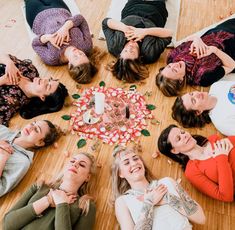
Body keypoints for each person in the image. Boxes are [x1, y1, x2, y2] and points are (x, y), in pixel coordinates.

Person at [111, 145, 205, 229]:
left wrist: (168, 198)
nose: (134, 163)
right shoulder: (123, 201)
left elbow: (201, 218)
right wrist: (149, 203)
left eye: (135, 159)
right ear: (120, 173)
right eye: (126, 163)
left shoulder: (167, 182)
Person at [3, 152, 96, 230]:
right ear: (65, 167)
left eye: (82, 165)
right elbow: (7, 224)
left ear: (88, 177)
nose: (75, 164)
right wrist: (47, 200)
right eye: (72, 161)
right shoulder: (39, 186)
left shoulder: (86, 205)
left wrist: (61, 204)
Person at [25, 0, 102, 83]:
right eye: (82, 54)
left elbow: (35, 44)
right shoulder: (86, 46)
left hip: (37, 17)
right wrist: (65, 28)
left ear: (69, 65)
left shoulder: (52, 58)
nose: (77, 52)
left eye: (75, 57)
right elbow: (80, 19)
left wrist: (48, 38)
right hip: (60, 8)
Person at [156, 18, 235, 96]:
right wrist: (215, 50)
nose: (174, 65)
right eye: (175, 70)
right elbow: (231, 66)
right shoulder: (203, 78)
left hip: (220, 32)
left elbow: (187, 40)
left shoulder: (172, 57)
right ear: (180, 80)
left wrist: (197, 39)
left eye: (169, 66)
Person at [158, 125, 235, 202]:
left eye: (182, 132)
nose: (184, 135)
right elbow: (226, 196)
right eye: (178, 138)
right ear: (175, 151)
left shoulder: (213, 139)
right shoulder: (192, 171)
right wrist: (222, 158)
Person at [102, 0, 172, 83]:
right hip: (154, 10)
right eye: (132, 52)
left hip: (132, 7)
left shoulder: (114, 46)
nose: (129, 47)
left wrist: (123, 28)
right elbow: (169, 34)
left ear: (120, 54)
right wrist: (145, 32)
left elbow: (105, 23)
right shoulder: (150, 53)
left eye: (125, 50)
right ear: (139, 57)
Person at [0, 53, 68, 126]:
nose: (45, 80)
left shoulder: (13, 101)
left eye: (48, 86)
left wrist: (2, 80)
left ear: (42, 97)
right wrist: (9, 63)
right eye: (49, 80)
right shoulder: (30, 70)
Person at [0, 120, 60, 197]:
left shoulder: (21, 162)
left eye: (36, 129)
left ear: (40, 143)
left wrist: (2, 157)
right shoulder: (2, 130)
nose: (31, 127)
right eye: (32, 123)